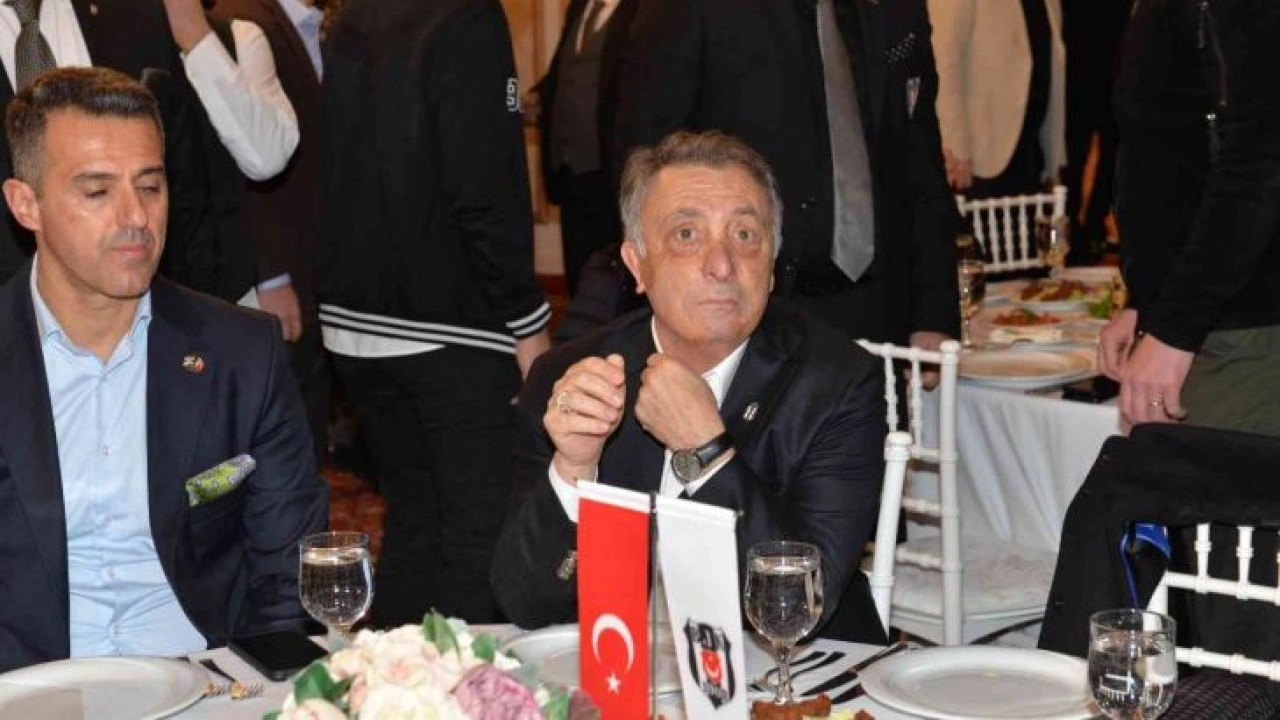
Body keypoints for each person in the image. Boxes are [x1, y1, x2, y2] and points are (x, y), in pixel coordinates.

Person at [492, 131, 887, 642]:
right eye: (686, 234)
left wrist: (707, 454)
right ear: (637, 264)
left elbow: (798, 607)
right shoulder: (572, 378)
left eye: (745, 234)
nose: (721, 265)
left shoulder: (837, 382)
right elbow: (525, 603)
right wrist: (573, 472)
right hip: (626, 666)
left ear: (771, 266)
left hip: (796, 669)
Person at [0, 67, 328, 672]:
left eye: (149, 186)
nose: (136, 217)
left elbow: (289, 575)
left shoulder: (241, 354)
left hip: (209, 686)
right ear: (26, 205)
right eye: (97, 192)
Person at [320, 0, 552, 624]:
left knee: (414, 524)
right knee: (478, 538)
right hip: (450, 323)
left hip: (355, 318)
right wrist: (528, 320)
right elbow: (484, 187)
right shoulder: (468, 16)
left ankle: (395, 677)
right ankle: (463, 680)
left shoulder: (355, 15)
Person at [612, 0, 958, 353]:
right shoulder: (695, 9)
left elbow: (921, 164)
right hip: (744, 313)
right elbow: (645, 166)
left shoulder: (897, 9)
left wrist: (935, 315)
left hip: (880, 313)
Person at [1098, 0, 1280, 437]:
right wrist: (1144, 301)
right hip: (1207, 321)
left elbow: (1258, 163)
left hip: (1242, 328)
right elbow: (1169, 154)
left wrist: (1174, 330)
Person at [212, 0, 329, 463]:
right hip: (274, 274)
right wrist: (272, 273)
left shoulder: (315, 24)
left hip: (312, 261)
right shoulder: (241, 20)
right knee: (277, 437)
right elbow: (245, 167)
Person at [527, 0, 637, 296]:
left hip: (612, 169)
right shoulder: (579, 7)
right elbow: (563, 72)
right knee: (578, 271)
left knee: (618, 280)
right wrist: (535, 97)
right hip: (568, 169)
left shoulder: (644, 10)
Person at [928, 0, 1066, 198]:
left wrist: (1054, 160)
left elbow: (1051, 64)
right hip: (978, 157)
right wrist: (955, 147)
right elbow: (943, 60)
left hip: (1031, 153)